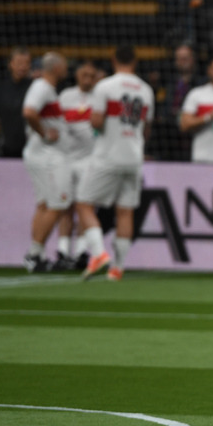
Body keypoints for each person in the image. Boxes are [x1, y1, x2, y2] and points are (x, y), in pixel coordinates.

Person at [76, 46, 155, 281]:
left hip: (108, 155)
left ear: (113, 60)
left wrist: (96, 122)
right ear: (136, 61)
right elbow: (147, 128)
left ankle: (99, 254)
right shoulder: (146, 89)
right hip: (133, 157)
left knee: (84, 204)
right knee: (125, 211)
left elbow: (97, 121)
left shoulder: (105, 86)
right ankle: (117, 268)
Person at [21, 52, 70, 272]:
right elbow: (29, 112)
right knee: (58, 204)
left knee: (43, 205)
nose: (67, 68)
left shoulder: (47, 88)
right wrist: (43, 133)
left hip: (42, 154)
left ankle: (36, 255)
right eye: (64, 65)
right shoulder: (41, 87)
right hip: (47, 155)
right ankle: (34, 253)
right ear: (56, 68)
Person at [54, 59, 100, 270]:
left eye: (92, 76)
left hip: (91, 160)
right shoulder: (65, 97)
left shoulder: (100, 97)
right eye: (84, 75)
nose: (88, 79)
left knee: (85, 206)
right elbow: (58, 125)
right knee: (65, 206)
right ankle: (63, 251)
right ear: (77, 75)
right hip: (67, 158)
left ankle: (82, 252)